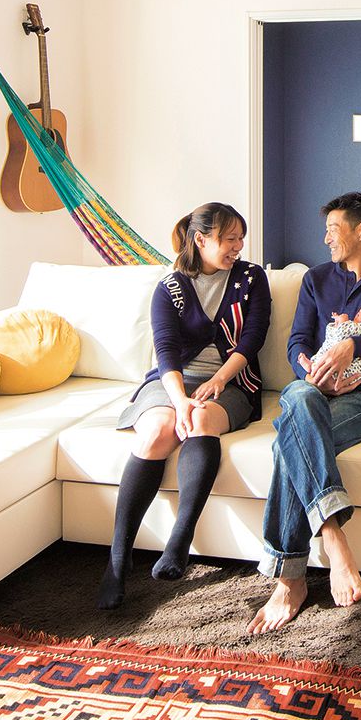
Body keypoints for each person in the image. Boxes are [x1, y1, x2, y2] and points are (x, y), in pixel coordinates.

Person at [246, 192, 361, 634]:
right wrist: (312, 371)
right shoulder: (316, 279)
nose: (325, 239)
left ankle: (289, 581)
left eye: (333, 230)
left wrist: (352, 346)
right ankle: (333, 535)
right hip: (312, 391)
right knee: (300, 397)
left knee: (288, 445)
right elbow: (297, 341)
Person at [99, 202, 269, 610]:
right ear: (201, 240)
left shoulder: (251, 278)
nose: (238, 246)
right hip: (172, 381)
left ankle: (180, 539)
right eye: (229, 239)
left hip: (231, 380)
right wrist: (180, 401)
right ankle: (118, 559)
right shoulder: (170, 287)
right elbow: (165, 351)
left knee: (203, 421)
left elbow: (252, 339)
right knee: (158, 431)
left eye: (240, 239)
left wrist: (217, 381)